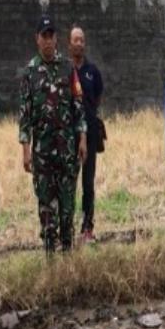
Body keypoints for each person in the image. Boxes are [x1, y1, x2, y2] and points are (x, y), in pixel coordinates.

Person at [18, 16, 87, 253]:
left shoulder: (68, 68)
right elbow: (24, 115)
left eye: (51, 36)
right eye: (43, 36)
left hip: (67, 149)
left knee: (67, 204)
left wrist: (83, 139)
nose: (48, 41)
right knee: (46, 205)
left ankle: (67, 252)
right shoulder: (30, 72)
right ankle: (49, 254)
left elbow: (78, 106)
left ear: (56, 39)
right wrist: (26, 149)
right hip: (43, 153)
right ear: (37, 40)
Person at [68, 26, 104, 244]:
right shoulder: (65, 70)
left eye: (82, 40)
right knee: (69, 184)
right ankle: (68, 228)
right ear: (69, 44)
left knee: (88, 183)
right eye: (75, 40)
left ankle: (87, 228)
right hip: (68, 137)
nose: (79, 43)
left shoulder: (93, 71)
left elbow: (97, 98)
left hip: (90, 135)